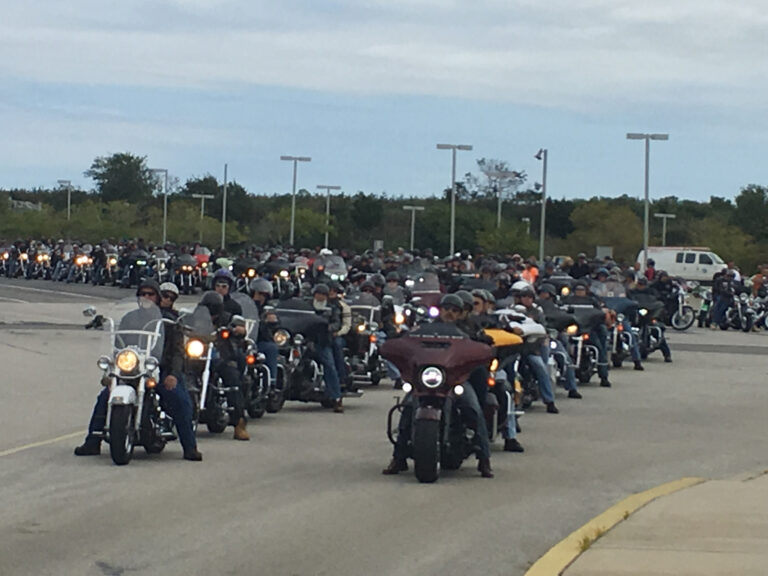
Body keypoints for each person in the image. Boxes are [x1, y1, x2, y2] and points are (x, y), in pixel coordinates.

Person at [74, 279, 202, 461]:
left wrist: (173, 374)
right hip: (132, 366)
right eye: (143, 294)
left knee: (179, 399)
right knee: (104, 396)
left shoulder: (169, 321)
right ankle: (92, 441)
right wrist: (112, 366)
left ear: (157, 297)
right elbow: (118, 343)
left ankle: (190, 447)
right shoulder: (129, 318)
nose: (147, 297)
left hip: (159, 367)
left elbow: (177, 352)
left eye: (151, 294)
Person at [382, 293, 494, 478]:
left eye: (454, 310)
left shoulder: (468, 330)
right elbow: (407, 340)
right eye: (446, 308)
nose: (449, 313)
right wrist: (396, 339)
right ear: (439, 310)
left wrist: (483, 344)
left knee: (473, 408)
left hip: (456, 380)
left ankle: (484, 459)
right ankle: (398, 457)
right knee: (408, 407)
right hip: (427, 381)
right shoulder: (424, 329)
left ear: (460, 313)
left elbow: (482, 344)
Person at [199, 291, 250, 440]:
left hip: (221, 355)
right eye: (207, 308)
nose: (210, 312)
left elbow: (240, 328)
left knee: (232, 380)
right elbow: (184, 323)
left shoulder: (227, 318)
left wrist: (238, 329)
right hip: (199, 355)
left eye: (212, 308)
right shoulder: (197, 317)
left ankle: (239, 423)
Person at [309, 284, 344, 413]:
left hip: (322, 341)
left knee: (329, 365)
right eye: (318, 293)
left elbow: (336, 323)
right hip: (305, 340)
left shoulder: (332, 308)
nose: (320, 296)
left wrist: (329, 328)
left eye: (323, 294)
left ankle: (336, 398)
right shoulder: (307, 306)